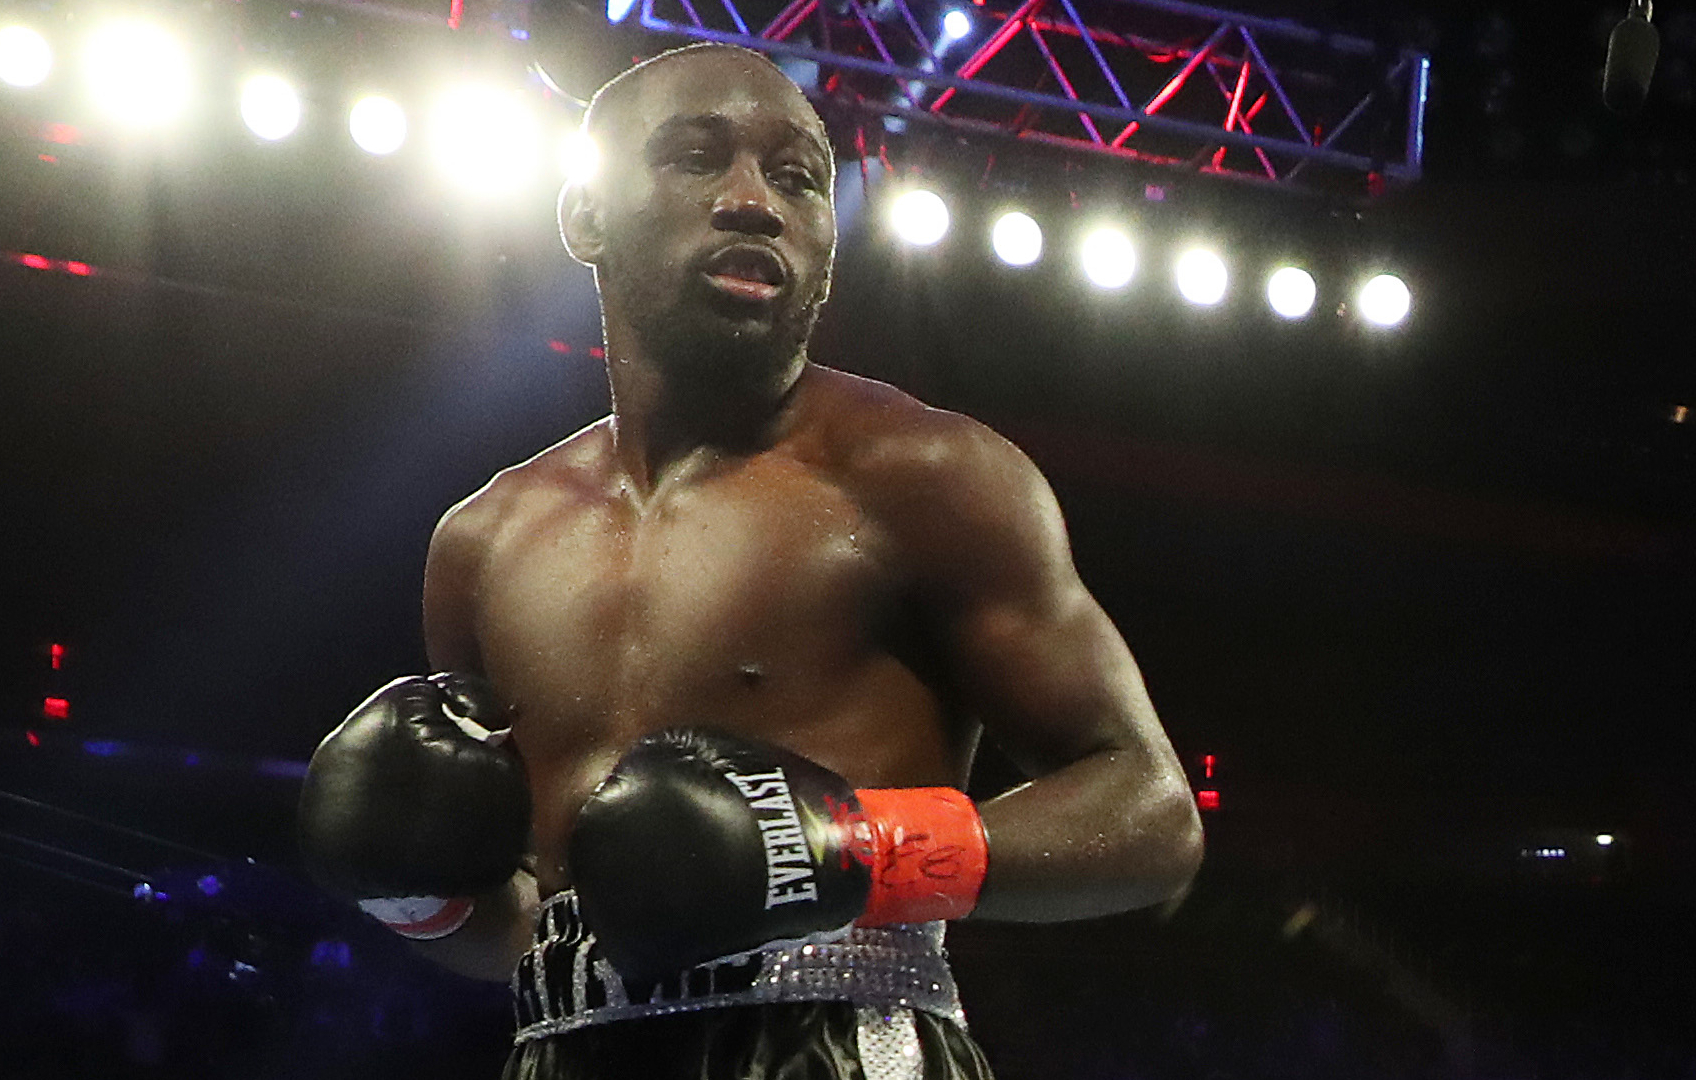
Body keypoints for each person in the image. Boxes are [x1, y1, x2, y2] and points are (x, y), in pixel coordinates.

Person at [298, 42, 1204, 1080]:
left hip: (838, 1045)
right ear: (587, 217)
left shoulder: (929, 477)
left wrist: (856, 852)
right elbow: (521, 933)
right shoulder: (484, 542)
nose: (753, 202)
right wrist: (419, 899)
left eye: (797, 176)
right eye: (696, 158)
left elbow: (1148, 813)